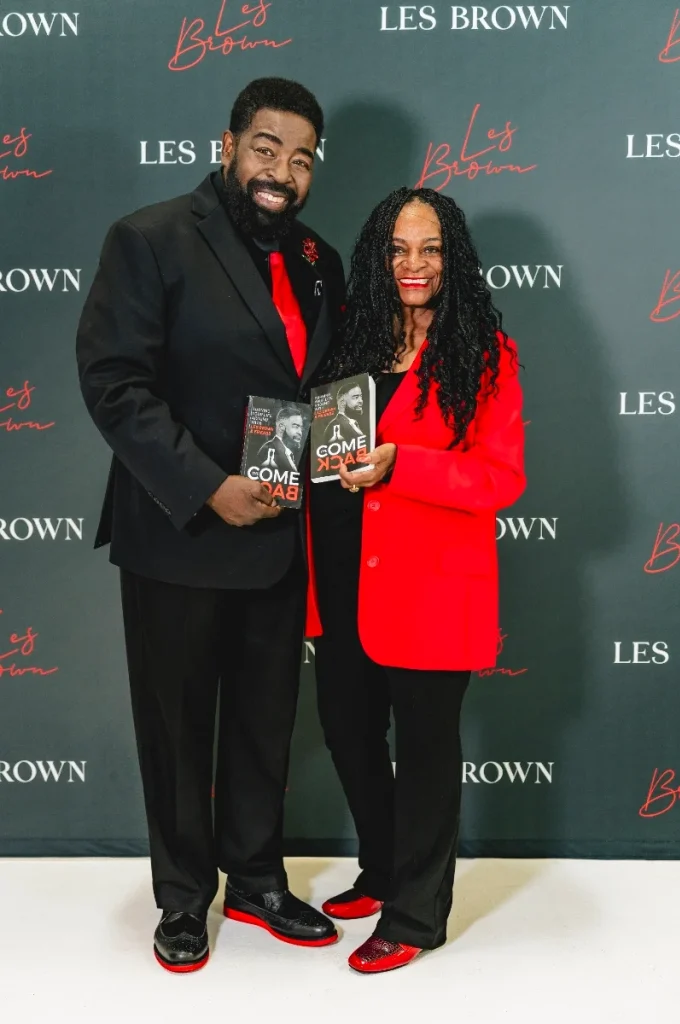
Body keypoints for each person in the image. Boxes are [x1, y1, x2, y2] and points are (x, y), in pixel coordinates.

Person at [76, 77, 345, 973]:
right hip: (181, 532)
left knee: (265, 721)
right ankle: (185, 897)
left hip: (279, 533)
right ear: (227, 146)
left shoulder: (318, 259)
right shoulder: (150, 237)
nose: (281, 171)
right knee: (179, 727)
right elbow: (115, 382)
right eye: (266, 148)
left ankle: (258, 879)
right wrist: (206, 486)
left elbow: (322, 389)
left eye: (301, 158)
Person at [309, 187, 526, 974]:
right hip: (342, 578)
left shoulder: (484, 353)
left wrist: (404, 465)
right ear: (378, 257)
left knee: (428, 751)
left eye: (430, 248)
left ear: (452, 257)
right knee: (348, 729)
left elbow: (501, 479)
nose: (414, 264)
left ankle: (415, 915)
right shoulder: (352, 341)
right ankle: (382, 868)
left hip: (432, 587)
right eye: (399, 249)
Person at [257, 406, 304, 472]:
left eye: (301, 428)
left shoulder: (289, 454)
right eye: (296, 426)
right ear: (281, 427)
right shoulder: (269, 449)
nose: (300, 432)